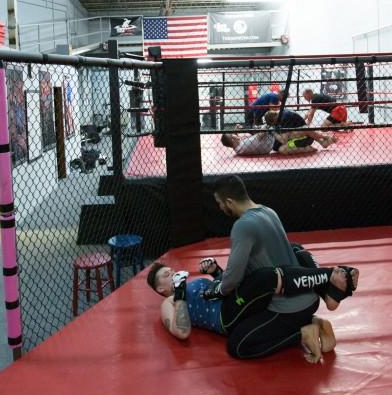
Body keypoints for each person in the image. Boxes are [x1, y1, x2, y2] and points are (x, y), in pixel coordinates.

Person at [212, 175, 357, 360]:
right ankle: (313, 321)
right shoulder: (268, 211)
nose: (220, 208)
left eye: (220, 203)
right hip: (309, 298)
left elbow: (231, 280)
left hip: (287, 308)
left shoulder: (242, 226)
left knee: (237, 345)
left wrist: (217, 289)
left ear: (229, 202)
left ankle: (304, 333)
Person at [146, 259, 358, 363]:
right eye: (167, 275)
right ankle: (313, 318)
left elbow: (221, 288)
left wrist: (216, 272)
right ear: (160, 289)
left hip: (240, 301)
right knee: (265, 281)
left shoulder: (195, 282)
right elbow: (181, 331)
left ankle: (317, 310)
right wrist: (180, 292)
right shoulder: (170, 301)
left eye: (172, 270)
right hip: (228, 316)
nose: (173, 273)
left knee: (267, 275)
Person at [263, 109, 335, 151]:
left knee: (288, 136)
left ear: (274, 119)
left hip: (305, 138)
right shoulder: (280, 114)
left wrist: (273, 132)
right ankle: (316, 144)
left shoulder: (284, 117)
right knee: (282, 149)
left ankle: (310, 147)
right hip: (296, 139)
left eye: (273, 124)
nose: (273, 125)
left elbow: (284, 139)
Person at [219, 126, 315, 156]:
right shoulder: (245, 145)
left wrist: (237, 132)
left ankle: (308, 143)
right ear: (232, 139)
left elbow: (256, 137)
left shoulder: (238, 148)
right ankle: (313, 139)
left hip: (271, 144)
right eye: (233, 135)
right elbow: (260, 135)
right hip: (272, 139)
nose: (235, 135)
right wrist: (265, 125)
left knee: (290, 140)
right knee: (289, 136)